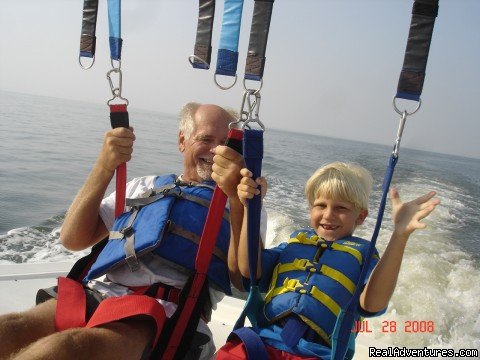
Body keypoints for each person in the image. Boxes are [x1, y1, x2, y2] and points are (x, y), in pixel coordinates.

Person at [0, 103, 250, 360]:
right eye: (206, 139)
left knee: (64, 350)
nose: (216, 151)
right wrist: (105, 165)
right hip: (97, 291)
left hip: (163, 310)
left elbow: (243, 278)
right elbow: (72, 239)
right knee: (9, 329)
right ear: (182, 141)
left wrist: (237, 198)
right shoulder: (144, 186)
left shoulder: (242, 202)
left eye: (226, 144)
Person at [217, 161, 440, 359]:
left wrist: (399, 234)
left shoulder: (363, 255)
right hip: (260, 344)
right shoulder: (294, 244)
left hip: (317, 353)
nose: (328, 215)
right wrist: (252, 208)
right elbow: (247, 269)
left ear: (361, 216)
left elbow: (372, 305)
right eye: (321, 205)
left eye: (341, 208)